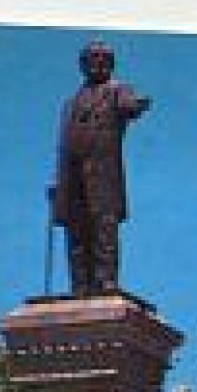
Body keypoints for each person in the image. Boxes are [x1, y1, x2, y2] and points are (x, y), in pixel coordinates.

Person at [53, 40, 150, 296]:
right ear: (83, 65)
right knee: (75, 231)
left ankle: (106, 279)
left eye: (102, 59)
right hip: (71, 176)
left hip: (102, 175)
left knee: (103, 229)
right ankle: (80, 284)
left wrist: (137, 105)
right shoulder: (70, 104)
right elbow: (63, 145)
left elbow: (130, 105)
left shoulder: (117, 90)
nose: (97, 64)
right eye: (92, 59)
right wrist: (57, 181)